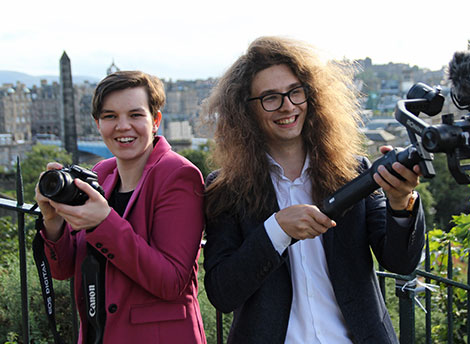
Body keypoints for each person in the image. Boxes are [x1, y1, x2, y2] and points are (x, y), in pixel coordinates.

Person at [202, 36, 425, 344]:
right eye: (270, 98)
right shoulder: (226, 188)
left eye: (295, 92)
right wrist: (276, 231)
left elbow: (401, 262)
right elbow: (222, 293)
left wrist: (400, 201)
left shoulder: (353, 171)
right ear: (247, 110)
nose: (288, 106)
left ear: (311, 95)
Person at [35, 71, 206, 344]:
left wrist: (103, 222)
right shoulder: (101, 173)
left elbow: (171, 281)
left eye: (135, 115)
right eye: (110, 116)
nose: (123, 126)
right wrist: (53, 220)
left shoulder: (178, 175)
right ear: (98, 123)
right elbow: (63, 269)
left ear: (155, 121)